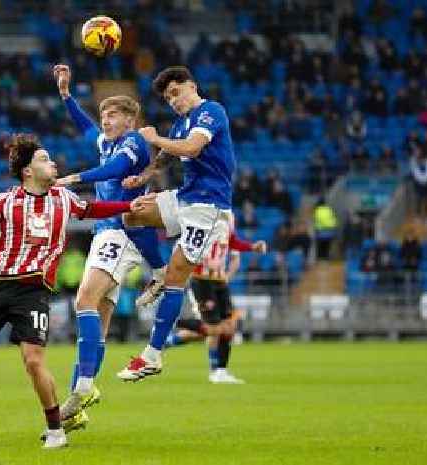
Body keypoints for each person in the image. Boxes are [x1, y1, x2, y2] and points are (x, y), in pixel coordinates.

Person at [0, 133, 137, 449]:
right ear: (28, 171)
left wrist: (130, 204)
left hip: (33, 292)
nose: (53, 163)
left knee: (34, 361)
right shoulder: (4, 201)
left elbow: (95, 209)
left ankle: (56, 431)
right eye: (45, 159)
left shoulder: (64, 198)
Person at [49, 64, 167, 432]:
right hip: (109, 235)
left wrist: (76, 177)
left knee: (83, 300)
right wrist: (66, 96)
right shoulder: (106, 140)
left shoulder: (133, 144)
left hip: (118, 232)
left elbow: (115, 170)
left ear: (130, 120)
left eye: (112, 114)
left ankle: (82, 389)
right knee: (96, 325)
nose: (105, 120)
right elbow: (85, 129)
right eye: (104, 114)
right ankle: (77, 406)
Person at [111, 66, 238, 382]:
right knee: (131, 213)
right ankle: (156, 272)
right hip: (185, 198)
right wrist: (142, 177)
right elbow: (167, 158)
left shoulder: (211, 111)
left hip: (208, 206)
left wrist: (154, 137)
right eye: (168, 97)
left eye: (176, 92)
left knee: (177, 276)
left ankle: (152, 356)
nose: (173, 100)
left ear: (192, 86)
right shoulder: (182, 124)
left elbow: (192, 147)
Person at [165, 234, 267, 384]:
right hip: (201, 282)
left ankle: (168, 338)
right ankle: (216, 371)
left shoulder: (227, 224)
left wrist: (227, 276)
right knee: (214, 329)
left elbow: (234, 256)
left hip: (219, 283)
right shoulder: (200, 226)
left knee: (224, 327)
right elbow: (181, 254)